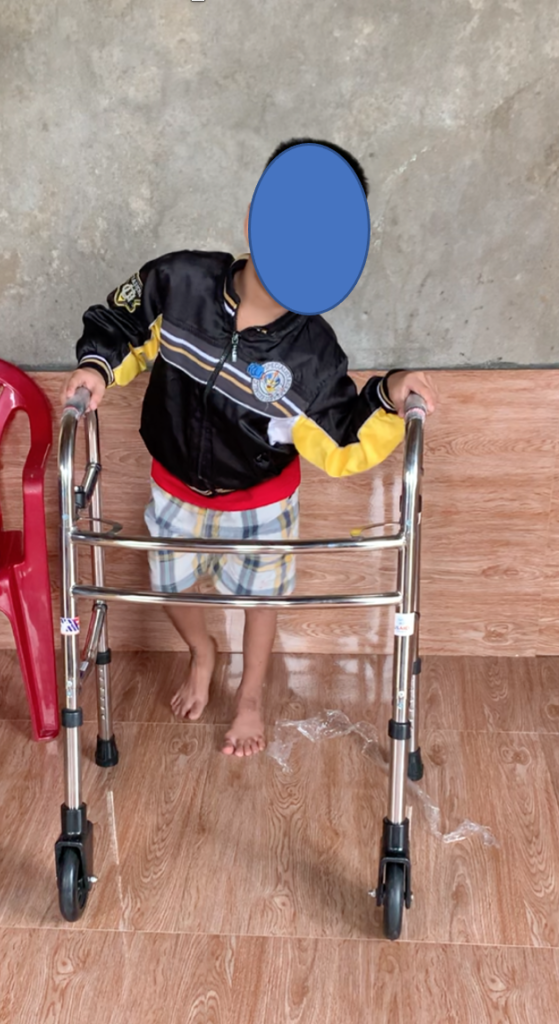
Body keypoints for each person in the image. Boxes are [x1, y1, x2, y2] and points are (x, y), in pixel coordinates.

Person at [62, 137, 438, 758]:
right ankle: (202, 651)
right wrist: (96, 366)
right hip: (174, 487)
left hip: (262, 503)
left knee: (261, 601)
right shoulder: (178, 282)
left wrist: (390, 392)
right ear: (255, 220)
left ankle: (252, 695)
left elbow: (342, 437)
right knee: (170, 586)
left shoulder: (312, 354)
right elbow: (121, 323)